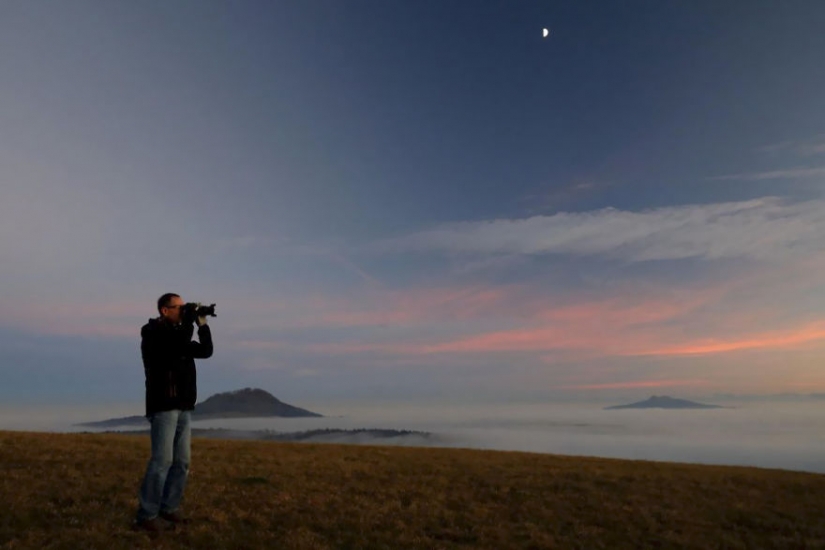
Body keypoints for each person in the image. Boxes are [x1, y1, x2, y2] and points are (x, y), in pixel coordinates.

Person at [133, 293, 213, 533]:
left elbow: (206, 351)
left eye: (183, 307)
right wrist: (188, 321)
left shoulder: (180, 334)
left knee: (182, 462)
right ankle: (147, 515)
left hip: (184, 405)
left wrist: (202, 324)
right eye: (178, 307)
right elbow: (175, 344)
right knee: (162, 461)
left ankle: (169, 507)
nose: (182, 310)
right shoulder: (153, 332)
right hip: (163, 405)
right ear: (164, 310)